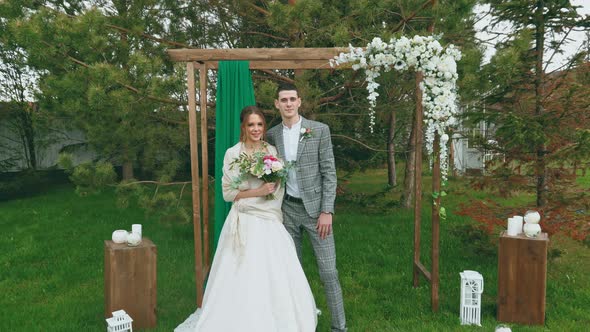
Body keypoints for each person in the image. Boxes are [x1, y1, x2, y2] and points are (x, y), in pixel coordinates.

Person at [175, 106, 317, 332]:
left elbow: (276, 190)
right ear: (243, 127)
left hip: (269, 221)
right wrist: (256, 194)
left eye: (259, 124)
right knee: (241, 273)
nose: (256, 129)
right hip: (244, 221)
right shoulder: (233, 153)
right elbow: (228, 193)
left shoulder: (271, 151)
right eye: (251, 124)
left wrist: (265, 198)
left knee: (273, 275)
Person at [266, 83, 347, 332]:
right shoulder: (272, 135)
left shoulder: (319, 130)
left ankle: (339, 327)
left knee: (328, 271)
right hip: (286, 211)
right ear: (277, 104)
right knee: (293, 272)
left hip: (316, 213)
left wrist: (327, 211)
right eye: (283, 100)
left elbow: (329, 173)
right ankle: (298, 323)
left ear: (299, 102)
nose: (288, 103)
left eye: (292, 99)